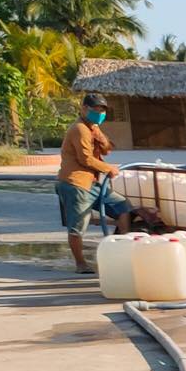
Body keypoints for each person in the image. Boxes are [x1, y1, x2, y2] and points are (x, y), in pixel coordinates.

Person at [56, 94, 131, 273]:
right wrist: (108, 168)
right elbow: (85, 159)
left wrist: (100, 136)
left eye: (102, 110)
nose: (99, 113)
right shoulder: (79, 129)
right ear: (84, 109)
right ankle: (80, 264)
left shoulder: (92, 128)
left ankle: (123, 250)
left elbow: (107, 148)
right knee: (78, 226)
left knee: (123, 207)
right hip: (76, 183)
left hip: (93, 183)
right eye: (95, 110)